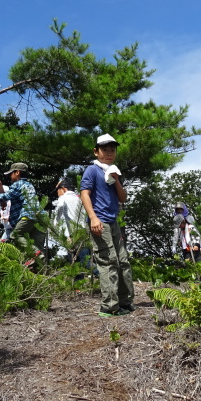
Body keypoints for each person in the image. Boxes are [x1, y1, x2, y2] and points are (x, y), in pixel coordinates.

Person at [79, 133, 134, 317]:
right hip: (100, 220)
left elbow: (123, 198)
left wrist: (116, 179)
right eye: (105, 149)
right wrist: (93, 218)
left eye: (113, 150)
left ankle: (125, 302)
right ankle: (109, 306)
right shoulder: (92, 170)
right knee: (108, 261)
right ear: (96, 152)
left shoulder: (112, 171)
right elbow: (84, 194)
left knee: (123, 260)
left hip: (113, 221)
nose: (109, 153)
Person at [4, 163, 46, 262]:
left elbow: (7, 196)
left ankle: (35, 253)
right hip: (40, 216)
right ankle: (41, 266)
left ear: (17, 172)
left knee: (15, 235)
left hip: (28, 214)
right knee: (37, 243)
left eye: (11, 173)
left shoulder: (18, 184)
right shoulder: (30, 185)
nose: (10, 176)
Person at [54, 177, 89, 265]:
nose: (57, 193)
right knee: (85, 260)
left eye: (57, 190)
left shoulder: (64, 197)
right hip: (84, 231)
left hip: (72, 234)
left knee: (76, 263)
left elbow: (60, 206)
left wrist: (55, 223)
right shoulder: (79, 198)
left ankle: (105, 276)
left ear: (63, 189)